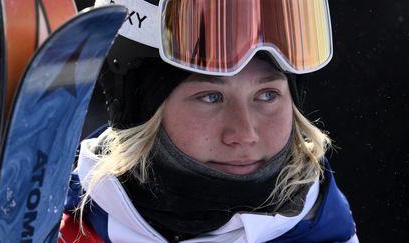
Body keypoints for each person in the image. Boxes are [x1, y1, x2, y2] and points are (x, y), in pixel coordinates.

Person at [59, 0, 359, 242]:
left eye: (267, 95)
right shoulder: (59, 229)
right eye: (211, 97)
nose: (244, 134)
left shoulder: (327, 234)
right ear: (143, 111)